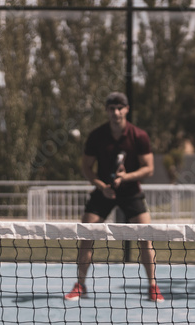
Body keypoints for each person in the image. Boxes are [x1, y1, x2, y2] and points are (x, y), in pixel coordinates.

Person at [64, 92, 164, 302]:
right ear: (107, 111)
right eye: (112, 108)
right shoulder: (96, 136)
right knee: (86, 237)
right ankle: (80, 285)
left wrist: (126, 177)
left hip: (131, 192)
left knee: (146, 238)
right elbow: (86, 168)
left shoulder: (139, 136)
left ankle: (153, 286)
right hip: (103, 192)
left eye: (120, 108)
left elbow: (149, 169)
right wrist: (101, 186)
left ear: (127, 110)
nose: (116, 112)